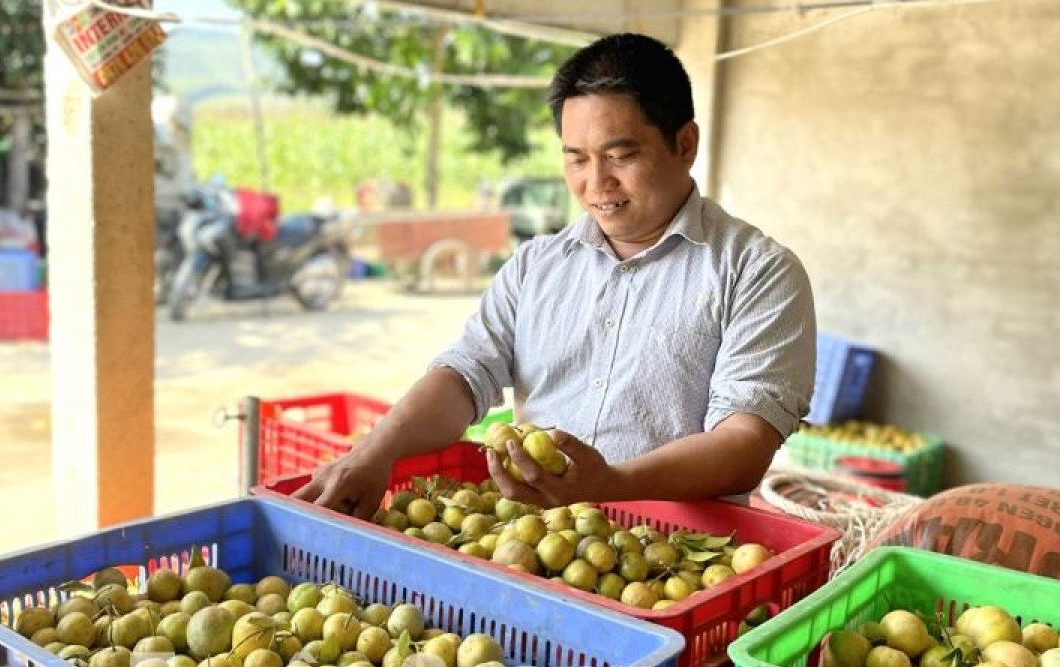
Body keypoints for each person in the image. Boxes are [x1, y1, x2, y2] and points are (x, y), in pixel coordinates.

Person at [294, 33, 817, 517]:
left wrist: (610, 483)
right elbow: (464, 373)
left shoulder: (759, 272)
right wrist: (373, 452)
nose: (596, 183)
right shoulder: (537, 265)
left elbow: (744, 442)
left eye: (621, 155)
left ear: (684, 144)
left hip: (673, 559)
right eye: (577, 159)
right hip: (531, 540)